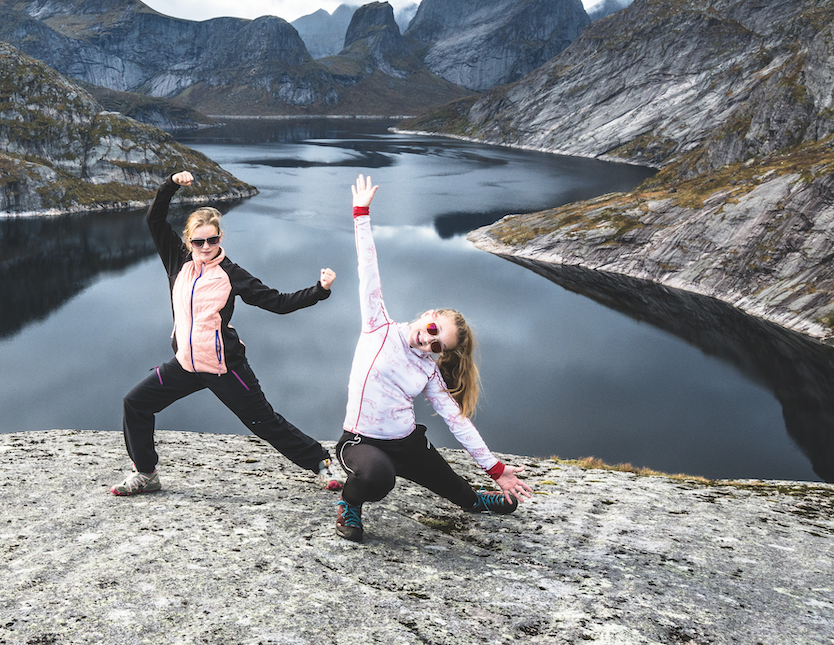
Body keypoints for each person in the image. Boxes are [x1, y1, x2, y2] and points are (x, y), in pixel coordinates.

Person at [111, 169, 346, 496]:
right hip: (186, 365)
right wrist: (171, 184)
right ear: (188, 241)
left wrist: (319, 290)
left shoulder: (231, 273)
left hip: (225, 367)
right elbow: (155, 218)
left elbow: (277, 303)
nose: (206, 246)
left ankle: (321, 461)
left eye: (213, 239)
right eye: (198, 241)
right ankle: (146, 473)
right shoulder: (178, 261)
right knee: (135, 403)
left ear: (220, 238)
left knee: (264, 422)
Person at [332, 173, 533, 542]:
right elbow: (368, 269)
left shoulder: (427, 370)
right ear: (429, 315)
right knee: (377, 478)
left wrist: (496, 470)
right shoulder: (378, 326)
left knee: (459, 493)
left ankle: (475, 500)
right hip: (361, 442)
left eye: (437, 346)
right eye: (432, 330)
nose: (428, 342)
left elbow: (458, 422)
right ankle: (350, 503)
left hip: (407, 444)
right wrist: (361, 214)